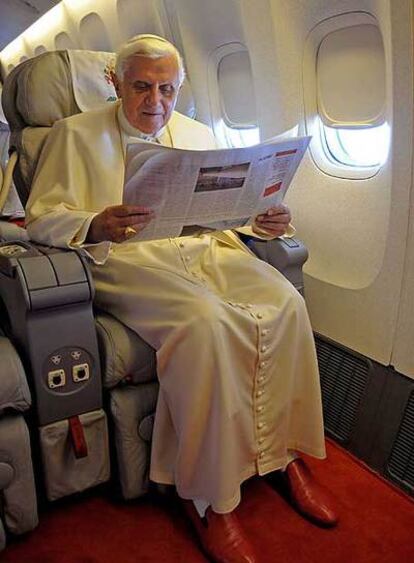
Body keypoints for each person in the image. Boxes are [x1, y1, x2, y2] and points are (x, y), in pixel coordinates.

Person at [26, 35, 338, 563]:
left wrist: (264, 217)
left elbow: (225, 207)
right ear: (114, 82)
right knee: (206, 321)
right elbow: (41, 217)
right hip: (126, 261)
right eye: (142, 87)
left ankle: (284, 457)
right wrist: (93, 220)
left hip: (203, 248)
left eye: (167, 89)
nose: (156, 103)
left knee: (286, 304)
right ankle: (210, 500)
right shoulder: (71, 134)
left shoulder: (196, 132)